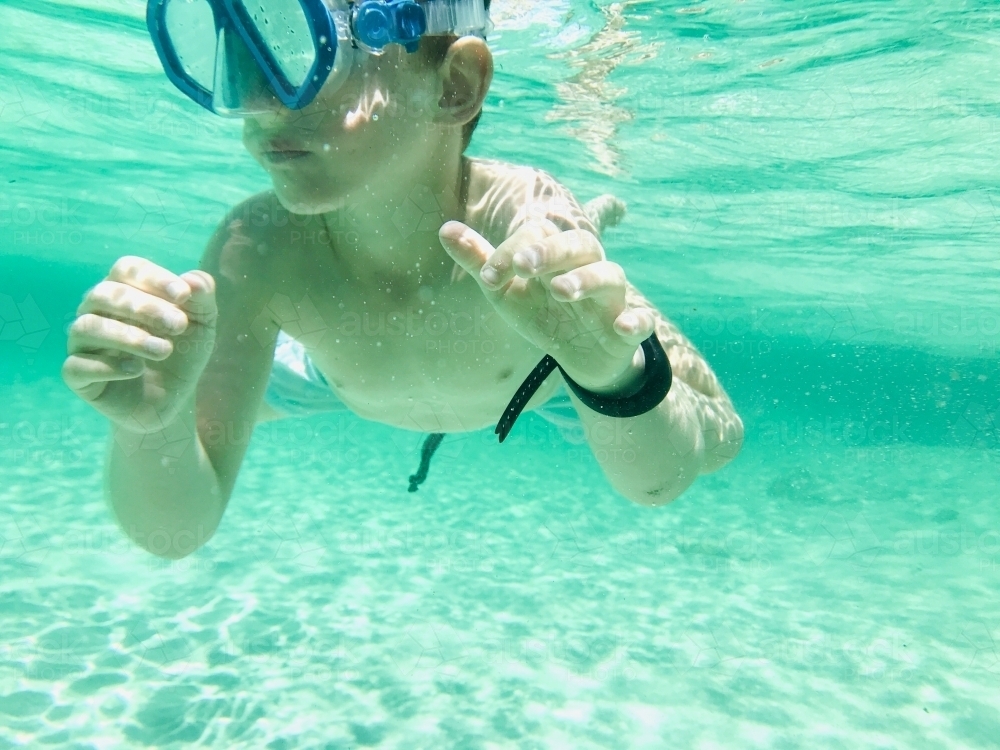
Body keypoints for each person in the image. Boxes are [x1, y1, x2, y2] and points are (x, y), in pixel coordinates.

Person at [61, 0, 743, 559]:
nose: (253, 98)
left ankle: (613, 324)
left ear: (454, 86)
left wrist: (607, 373)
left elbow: (657, 484)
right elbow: (174, 530)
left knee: (719, 436)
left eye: (300, 48)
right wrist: (155, 427)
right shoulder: (256, 249)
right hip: (340, 380)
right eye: (230, 49)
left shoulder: (528, 224)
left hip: (546, 377)